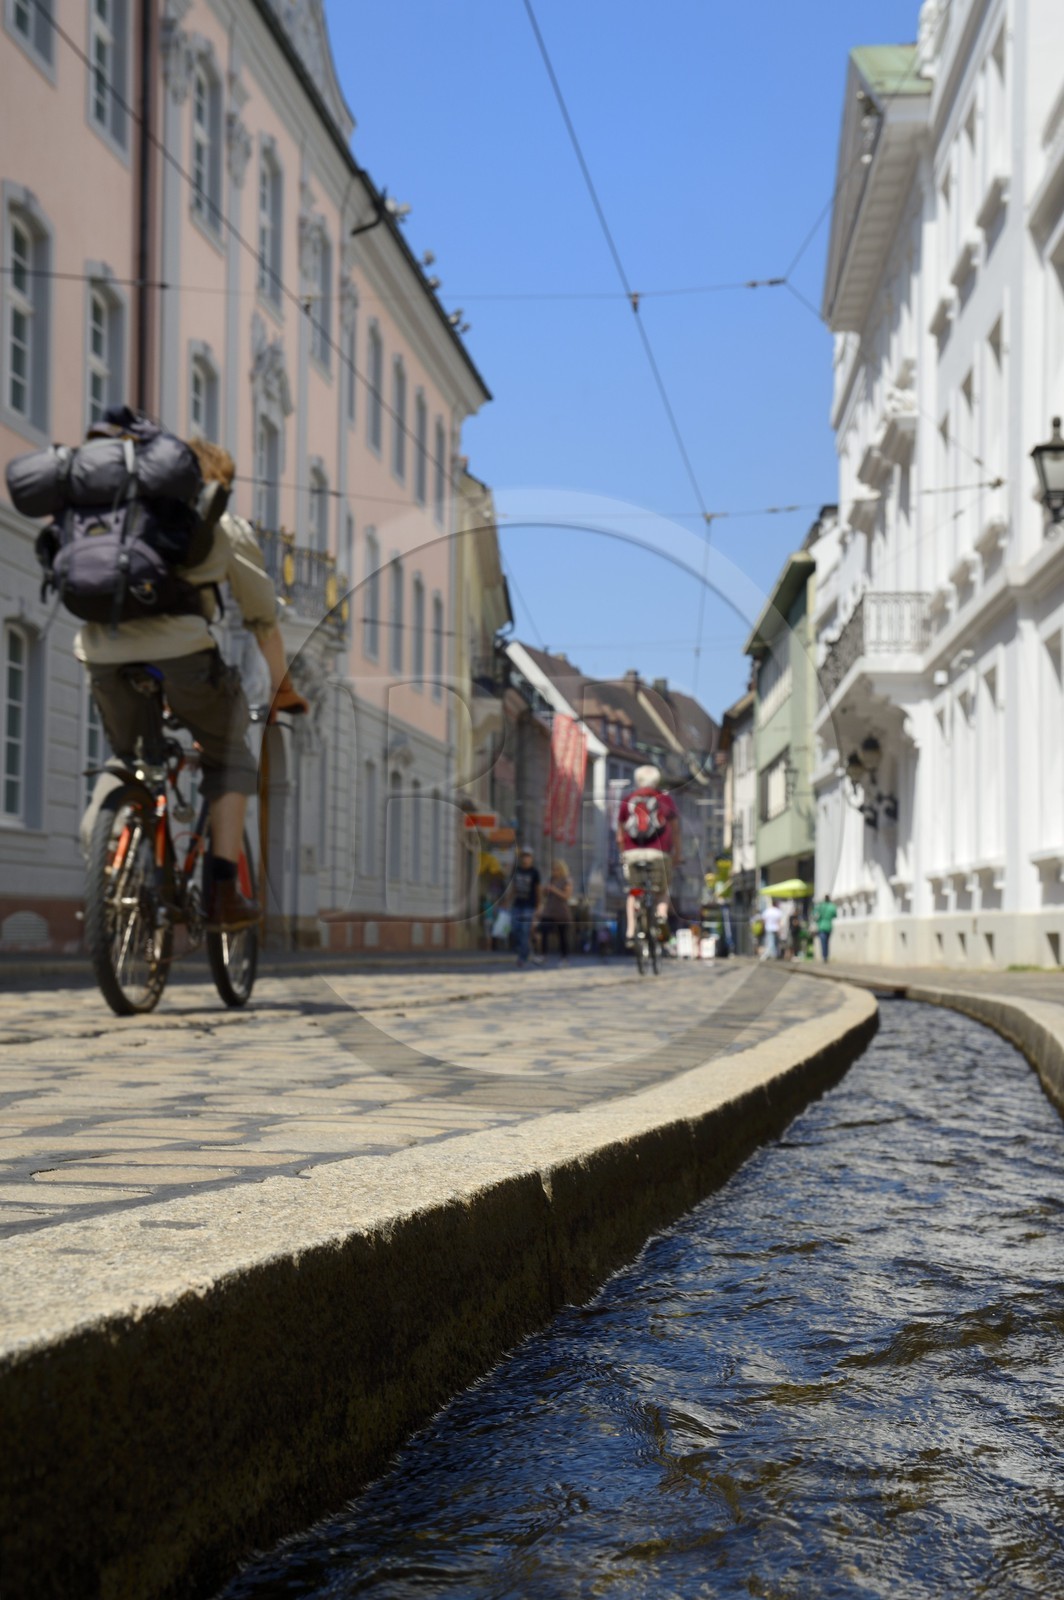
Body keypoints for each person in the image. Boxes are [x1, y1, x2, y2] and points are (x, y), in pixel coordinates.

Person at [76, 430, 295, 931]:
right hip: (182, 656)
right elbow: (264, 620)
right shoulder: (223, 525)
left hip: (100, 653)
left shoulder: (115, 517)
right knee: (231, 755)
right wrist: (285, 687)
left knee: (127, 757)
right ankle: (222, 894)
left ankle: (103, 850)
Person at [617, 764, 680, 948]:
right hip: (658, 854)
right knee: (662, 889)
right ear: (656, 781)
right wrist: (678, 854)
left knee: (634, 891)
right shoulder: (665, 800)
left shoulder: (628, 799)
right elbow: (676, 831)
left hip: (633, 854)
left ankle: (630, 931)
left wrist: (623, 854)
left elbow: (620, 834)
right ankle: (661, 916)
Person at [508, 846, 541, 967]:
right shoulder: (517, 870)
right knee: (515, 928)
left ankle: (521, 957)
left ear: (531, 858)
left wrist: (538, 907)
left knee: (524, 931)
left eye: (528, 856)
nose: (526, 858)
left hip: (529, 906)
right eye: (524, 856)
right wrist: (507, 901)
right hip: (517, 904)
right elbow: (514, 887)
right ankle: (525, 951)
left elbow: (538, 890)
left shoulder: (535, 872)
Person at [539, 859, 574, 962]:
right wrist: (545, 890)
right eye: (553, 869)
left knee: (562, 935)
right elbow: (545, 895)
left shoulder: (567, 880)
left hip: (561, 912)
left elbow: (566, 896)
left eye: (557, 869)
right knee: (543, 930)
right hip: (549, 910)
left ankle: (564, 957)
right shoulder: (551, 880)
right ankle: (543, 955)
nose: (554, 871)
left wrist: (554, 890)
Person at [815, 895, 838, 962]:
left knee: (823, 943)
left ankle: (824, 956)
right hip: (829, 926)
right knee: (827, 942)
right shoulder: (832, 906)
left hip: (822, 926)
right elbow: (835, 915)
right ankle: (826, 956)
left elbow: (815, 914)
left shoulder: (821, 906)